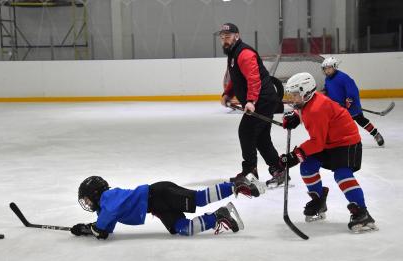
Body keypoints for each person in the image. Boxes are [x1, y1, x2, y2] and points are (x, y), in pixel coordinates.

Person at [279, 72, 378, 233]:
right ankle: (319, 201)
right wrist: (296, 116)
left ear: (306, 92)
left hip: (346, 142)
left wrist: (294, 156)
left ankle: (362, 212)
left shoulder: (317, 109)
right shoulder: (310, 100)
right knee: (308, 166)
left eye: (296, 95)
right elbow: (317, 135)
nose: (293, 98)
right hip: (328, 142)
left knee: (342, 175)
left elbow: (317, 143)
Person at [70, 174, 264, 239]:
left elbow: (105, 221)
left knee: (199, 199)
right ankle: (220, 216)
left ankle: (236, 185)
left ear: (96, 193)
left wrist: (97, 228)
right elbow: (106, 228)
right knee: (182, 229)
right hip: (158, 207)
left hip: (160, 194)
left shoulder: (108, 197)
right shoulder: (105, 207)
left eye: (87, 199)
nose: (87, 203)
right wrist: (87, 229)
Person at [217, 22, 285, 188]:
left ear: (237, 36)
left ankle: (249, 172)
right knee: (261, 138)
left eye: (228, 36)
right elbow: (236, 78)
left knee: (246, 132)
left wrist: (251, 101)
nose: (225, 40)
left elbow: (253, 79)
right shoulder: (233, 53)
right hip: (262, 100)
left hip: (263, 100)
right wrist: (228, 93)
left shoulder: (244, 54)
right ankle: (279, 170)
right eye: (222, 37)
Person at [322, 57, 384, 146]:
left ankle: (376, 134)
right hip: (339, 108)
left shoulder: (343, 77)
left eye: (329, 68)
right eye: (325, 68)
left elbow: (352, 90)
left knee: (362, 121)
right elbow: (328, 88)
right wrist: (324, 92)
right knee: (337, 125)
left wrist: (349, 100)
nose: (327, 70)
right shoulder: (327, 79)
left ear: (335, 67)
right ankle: (338, 142)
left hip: (351, 107)